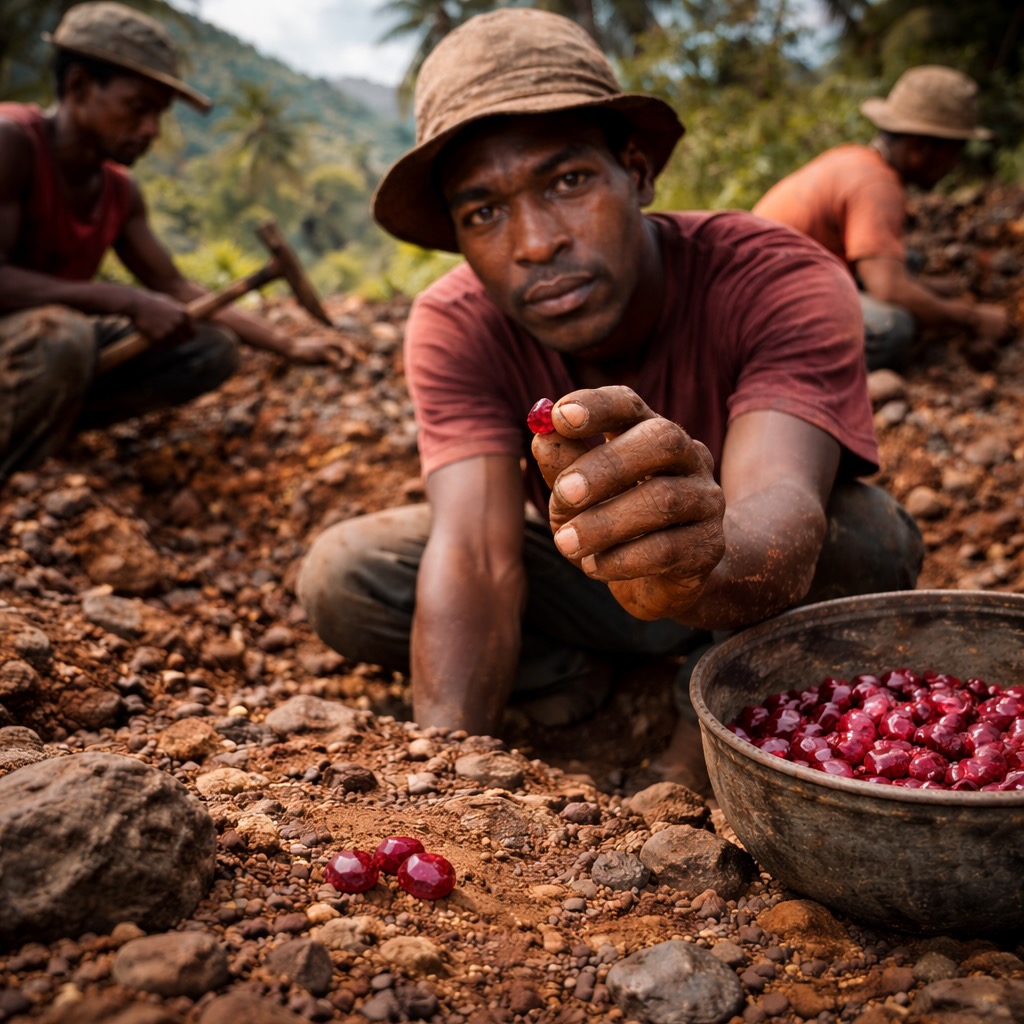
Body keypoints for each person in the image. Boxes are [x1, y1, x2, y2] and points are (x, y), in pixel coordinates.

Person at [296, 8, 924, 782]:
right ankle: (577, 672)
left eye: (567, 181)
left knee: (868, 537)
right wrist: (448, 778)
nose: (534, 242)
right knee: (348, 574)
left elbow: (782, 511)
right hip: (585, 571)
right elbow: (477, 551)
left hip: (737, 567)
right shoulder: (455, 323)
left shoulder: (775, 277)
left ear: (637, 171)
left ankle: (715, 708)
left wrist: (698, 555)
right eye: (484, 212)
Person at [0, 1, 347, 487]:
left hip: (39, 350)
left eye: (158, 115)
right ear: (79, 86)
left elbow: (173, 285)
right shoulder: (11, 142)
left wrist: (289, 345)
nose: (150, 130)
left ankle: (44, 430)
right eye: (138, 109)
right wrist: (123, 298)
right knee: (63, 336)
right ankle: (18, 471)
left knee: (207, 349)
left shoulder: (118, 190)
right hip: (31, 341)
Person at [753, 65, 1011, 371]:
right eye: (955, 152)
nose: (955, 165)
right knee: (891, 328)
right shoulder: (876, 185)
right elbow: (888, 289)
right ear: (921, 147)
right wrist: (972, 318)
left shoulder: (855, 158)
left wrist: (924, 289)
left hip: (787, 278)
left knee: (908, 261)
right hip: (764, 303)